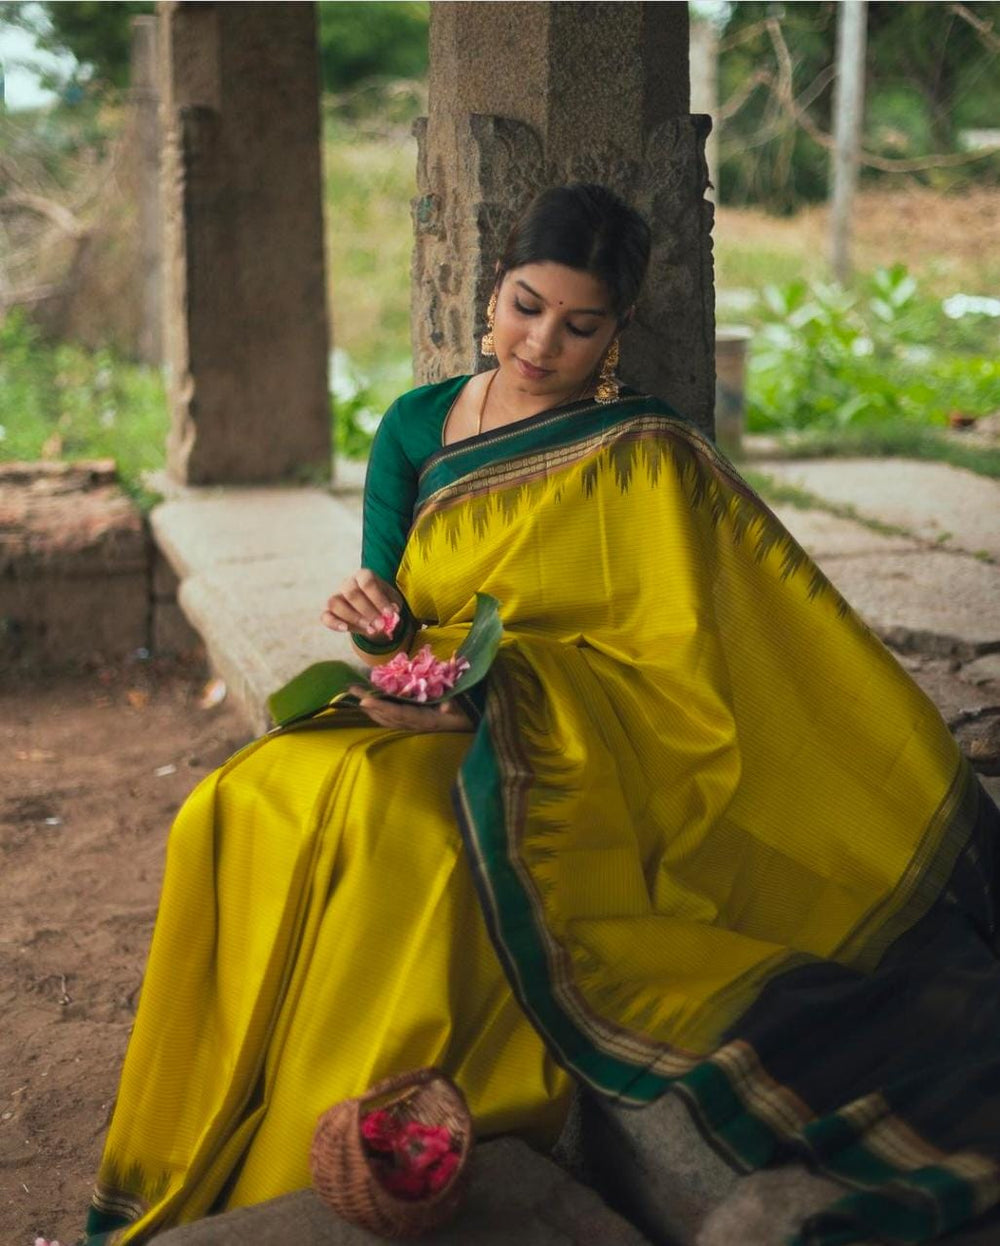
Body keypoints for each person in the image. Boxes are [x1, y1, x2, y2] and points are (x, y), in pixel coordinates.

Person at [86, 184, 1000, 1246]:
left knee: (412, 835)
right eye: (525, 306)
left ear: (613, 333)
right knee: (240, 799)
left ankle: (401, 1109)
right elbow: (396, 618)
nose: (541, 343)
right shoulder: (418, 426)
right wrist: (374, 622)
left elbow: (683, 668)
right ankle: (229, 1125)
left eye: (579, 325)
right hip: (415, 707)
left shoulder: (639, 453)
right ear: (491, 292)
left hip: (565, 745)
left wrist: (499, 700)